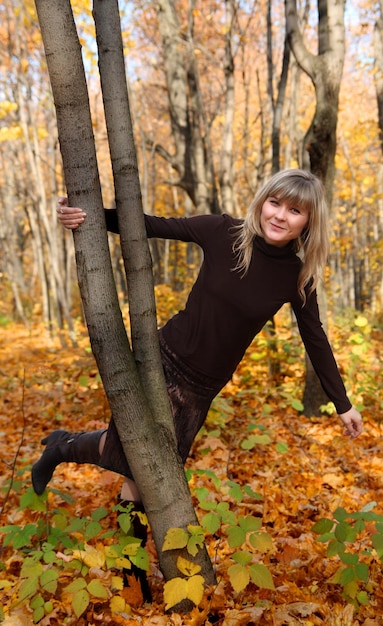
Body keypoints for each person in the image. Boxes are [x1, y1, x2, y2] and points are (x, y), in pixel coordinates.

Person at [32, 169, 362, 584]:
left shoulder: (296, 276)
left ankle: (63, 447)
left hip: (205, 386)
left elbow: (315, 339)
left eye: (295, 211)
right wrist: (83, 213)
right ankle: (130, 572)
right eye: (274, 203)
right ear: (262, 201)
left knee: (137, 458)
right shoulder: (223, 231)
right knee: (141, 464)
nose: (280, 216)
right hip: (164, 358)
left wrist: (343, 403)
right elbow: (148, 224)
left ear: (309, 222)